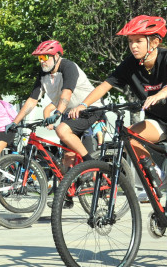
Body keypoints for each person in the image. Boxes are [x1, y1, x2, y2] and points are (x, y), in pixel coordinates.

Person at [69, 15, 167, 253]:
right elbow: (106, 84)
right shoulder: (131, 63)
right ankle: (156, 176)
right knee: (130, 136)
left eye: (138, 40)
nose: (133, 45)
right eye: (130, 41)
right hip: (160, 122)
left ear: (154, 41)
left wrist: (162, 93)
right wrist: (84, 104)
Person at [9, 40, 103, 170]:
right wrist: (15, 122)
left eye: (44, 57)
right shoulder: (43, 73)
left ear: (56, 55)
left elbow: (66, 93)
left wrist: (57, 113)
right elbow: (32, 100)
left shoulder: (68, 66)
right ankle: (69, 188)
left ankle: (91, 163)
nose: (42, 61)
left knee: (62, 130)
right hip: (71, 113)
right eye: (39, 58)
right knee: (67, 158)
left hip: (89, 109)